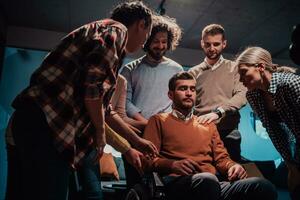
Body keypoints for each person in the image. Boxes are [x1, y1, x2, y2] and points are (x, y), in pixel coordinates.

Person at [5, 1, 157, 199]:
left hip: (30, 122)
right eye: (147, 34)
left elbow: (105, 110)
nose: (144, 42)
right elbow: (92, 87)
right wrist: (100, 134)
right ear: (141, 24)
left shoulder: (97, 32)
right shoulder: (116, 30)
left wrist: (137, 140)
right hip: (45, 125)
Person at [142, 72, 277, 200]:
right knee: (207, 181)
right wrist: (172, 165)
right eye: (183, 89)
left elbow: (221, 159)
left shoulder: (207, 124)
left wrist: (232, 166)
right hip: (176, 183)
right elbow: (147, 160)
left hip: (213, 183)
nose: (189, 93)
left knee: (263, 186)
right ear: (170, 95)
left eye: (192, 89)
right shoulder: (158, 120)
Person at [235, 46, 300, 200]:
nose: (240, 79)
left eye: (243, 72)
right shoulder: (253, 96)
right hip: (293, 154)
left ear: (261, 67)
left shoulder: (291, 84)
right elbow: (273, 132)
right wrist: (291, 166)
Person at [188, 24, 247, 162]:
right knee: (204, 174)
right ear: (202, 44)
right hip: (200, 132)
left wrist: (218, 112)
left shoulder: (235, 69)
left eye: (216, 44)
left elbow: (242, 95)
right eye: (208, 44)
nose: (212, 48)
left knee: (232, 175)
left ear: (224, 44)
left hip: (228, 132)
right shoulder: (192, 73)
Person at [121, 15, 183, 128]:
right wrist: (147, 124)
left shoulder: (177, 69)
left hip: (168, 128)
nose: (160, 46)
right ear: (146, 41)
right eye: (156, 41)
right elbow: (125, 102)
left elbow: (179, 101)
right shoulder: (129, 69)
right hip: (138, 128)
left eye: (164, 42)